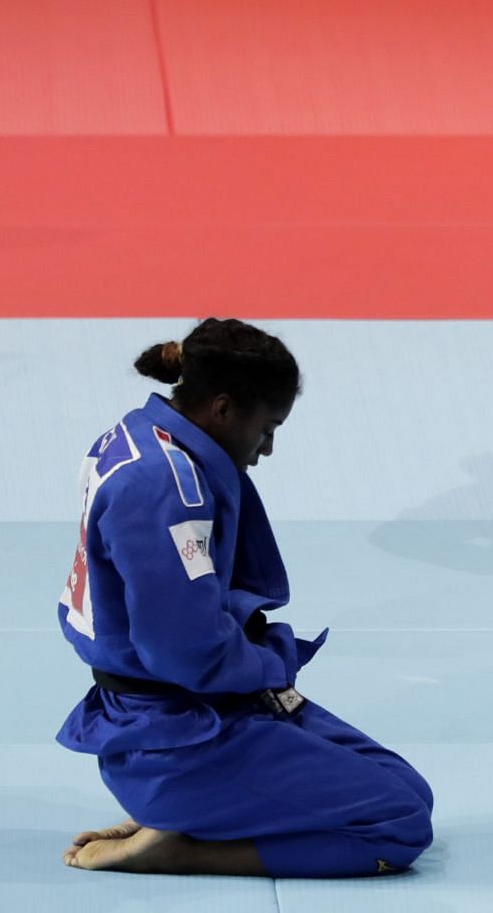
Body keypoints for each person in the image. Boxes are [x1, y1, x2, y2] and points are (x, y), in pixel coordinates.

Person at [55, 318, 433, 876]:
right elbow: (186, 652)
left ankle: (187, 818)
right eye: (267, 428)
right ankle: (186, 849)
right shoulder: (164, 488)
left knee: (408, 788)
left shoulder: (140, 436)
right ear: (223, 409)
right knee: (400, 824)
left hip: (189, 710)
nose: (269, 448)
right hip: (173, 740)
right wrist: (272, 662)